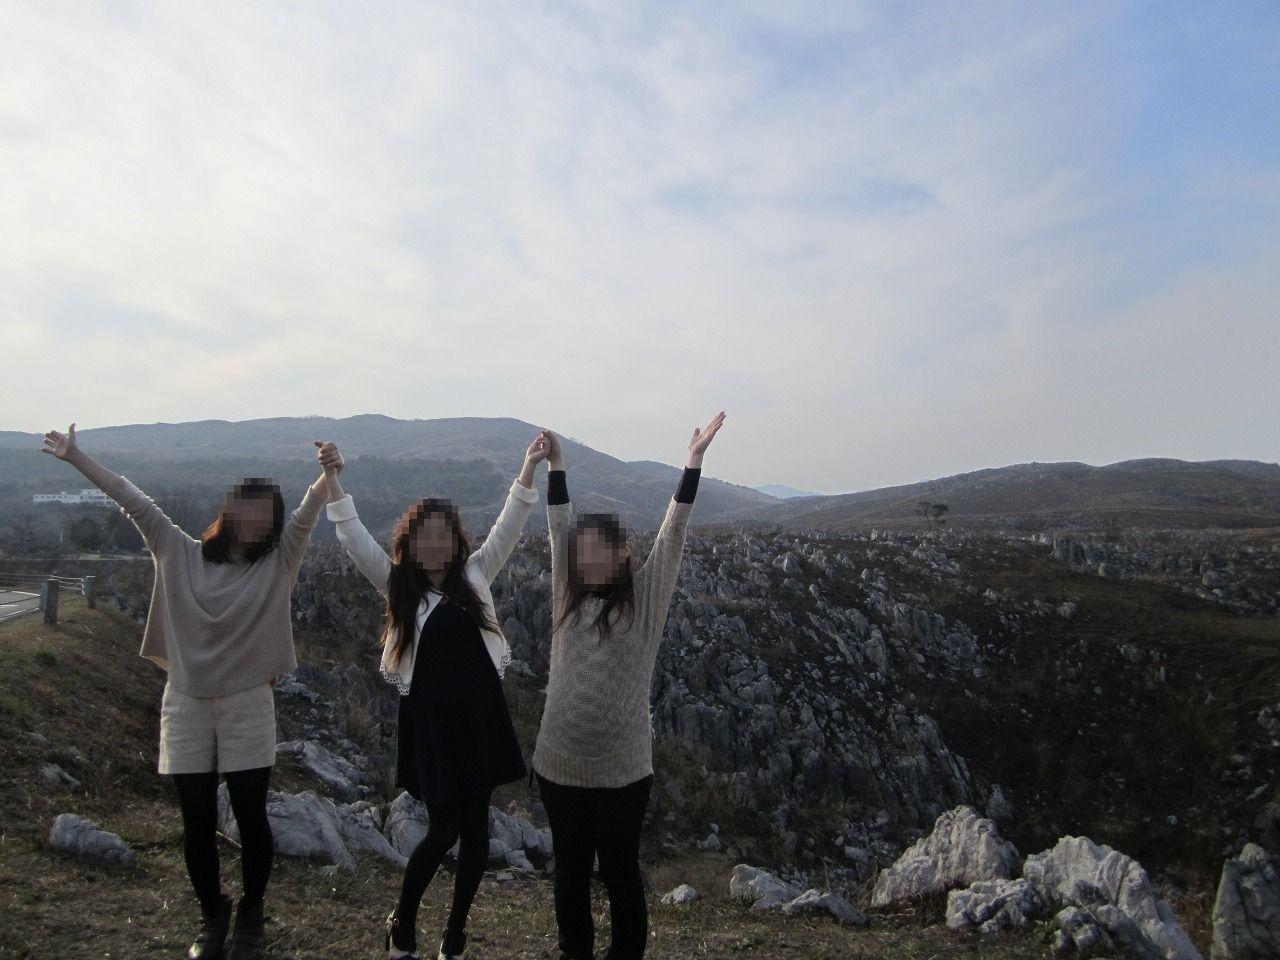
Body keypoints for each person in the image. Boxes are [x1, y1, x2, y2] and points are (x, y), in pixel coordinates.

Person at [41, 423, 330, 960]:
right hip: (186, 702)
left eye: (266, 514)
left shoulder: (278, 563)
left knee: (251, 818)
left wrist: (327, 474)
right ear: (228, 511)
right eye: (247, 508)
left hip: (247, 701)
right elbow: (132, 499)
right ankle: (212, 915)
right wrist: (76, 457)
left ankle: (251, 915)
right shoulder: (177, 551)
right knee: (195, 821)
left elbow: (308, 516)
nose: (255, 520)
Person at [316, 431, 549, 960]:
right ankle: (402, 923)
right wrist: (333, 480)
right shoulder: (400, 586)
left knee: (477, 834)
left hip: (480, 719)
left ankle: (455, 936)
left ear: (457, 541)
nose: (437, 544)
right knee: (443, 830)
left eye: (445, 534)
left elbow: (510, 525)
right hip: (433, 725)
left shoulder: (475, 575)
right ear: (411, 543)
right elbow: (354, 539)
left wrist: (528, 468)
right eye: (426, 536)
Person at [532, 411, 726, 960]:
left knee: (620, 873)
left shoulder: (644, 601)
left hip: (623, 772)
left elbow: (673, 534)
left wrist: (692, 463)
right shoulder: (566, 596)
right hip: (559, 766)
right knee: (570, 872)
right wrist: (557, 465)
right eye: (584, 549)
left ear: (622, 555)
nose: (591, 557)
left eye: (604, 548)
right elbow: (557, 524)